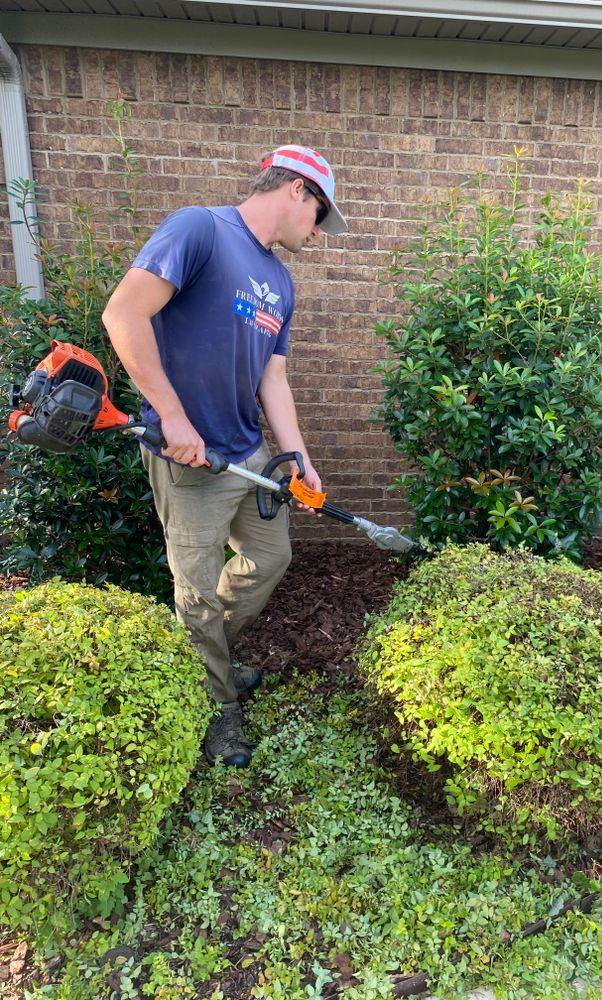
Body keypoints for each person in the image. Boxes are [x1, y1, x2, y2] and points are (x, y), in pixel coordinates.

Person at [102, 144, 348, 767]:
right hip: (189, 456)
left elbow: (274, 380)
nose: (318, 233)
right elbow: (123, 313)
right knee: (195, 590)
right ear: (296, 189)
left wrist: (298, 457)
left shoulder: (281, 282)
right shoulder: (200, 229)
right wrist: (175, 418)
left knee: (270, 557)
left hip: (248, 452)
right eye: (320, 215)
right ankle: (220, 705)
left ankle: (201, 657)